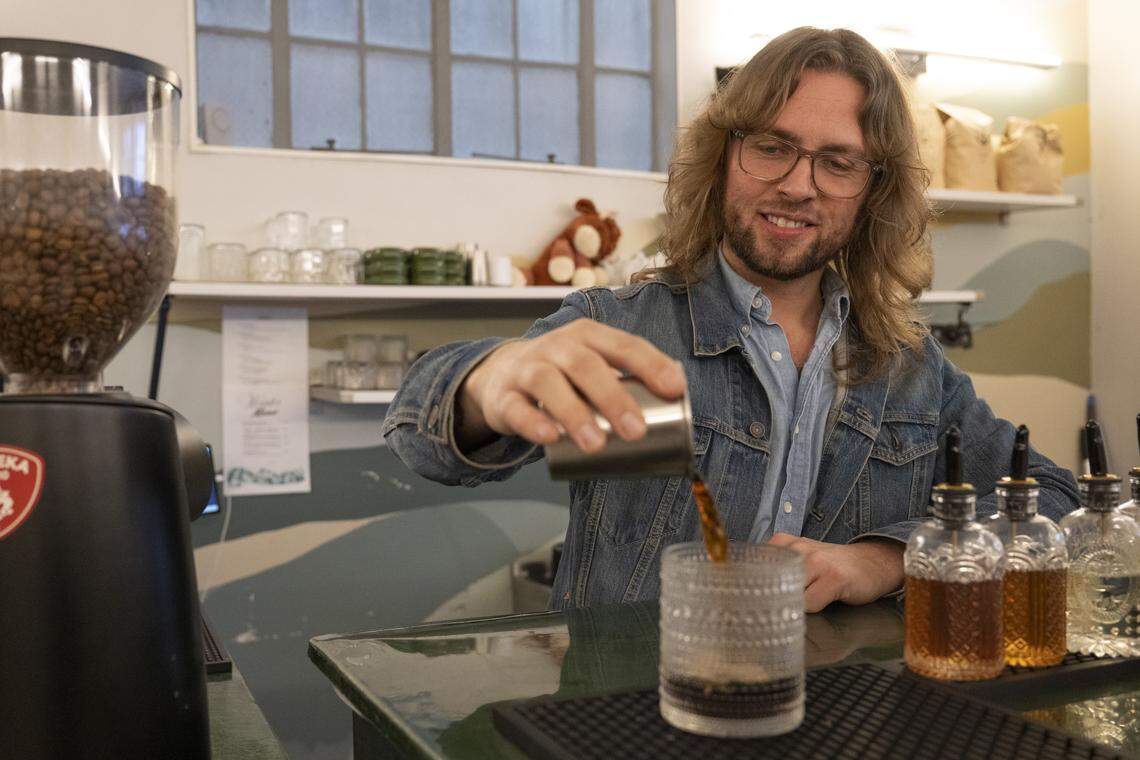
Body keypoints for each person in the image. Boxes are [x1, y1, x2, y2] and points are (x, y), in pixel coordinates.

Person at [382, 27, 1079, 613]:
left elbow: (1054, 499)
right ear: (722, 158)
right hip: (627, 724)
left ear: (873, 193)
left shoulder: (913, 370)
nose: (798, 185)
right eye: (772, 147)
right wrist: (486, 380)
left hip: (837, 722)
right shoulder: (616, 328)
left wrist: (887, 557)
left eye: (838, 162)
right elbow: (423, 440)